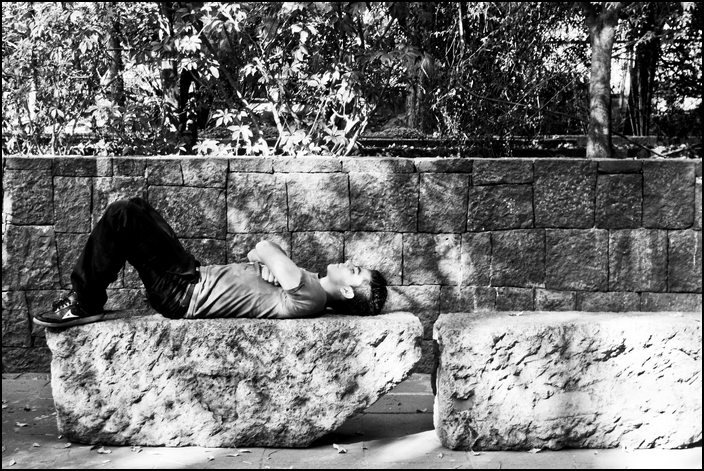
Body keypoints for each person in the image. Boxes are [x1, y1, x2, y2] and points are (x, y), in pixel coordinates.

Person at [33, 197, 387, 328]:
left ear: (346, 291)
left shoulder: (311, 296)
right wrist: (268, 260)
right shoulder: (305, 282)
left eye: (354, 272)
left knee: (122, 215)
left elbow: (263, 245)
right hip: (190, 277)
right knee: (137, 208)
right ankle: (86, 299)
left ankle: (84, 302)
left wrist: (269, 255)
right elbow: (258, 253)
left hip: (184, 293)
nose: (348, 263)